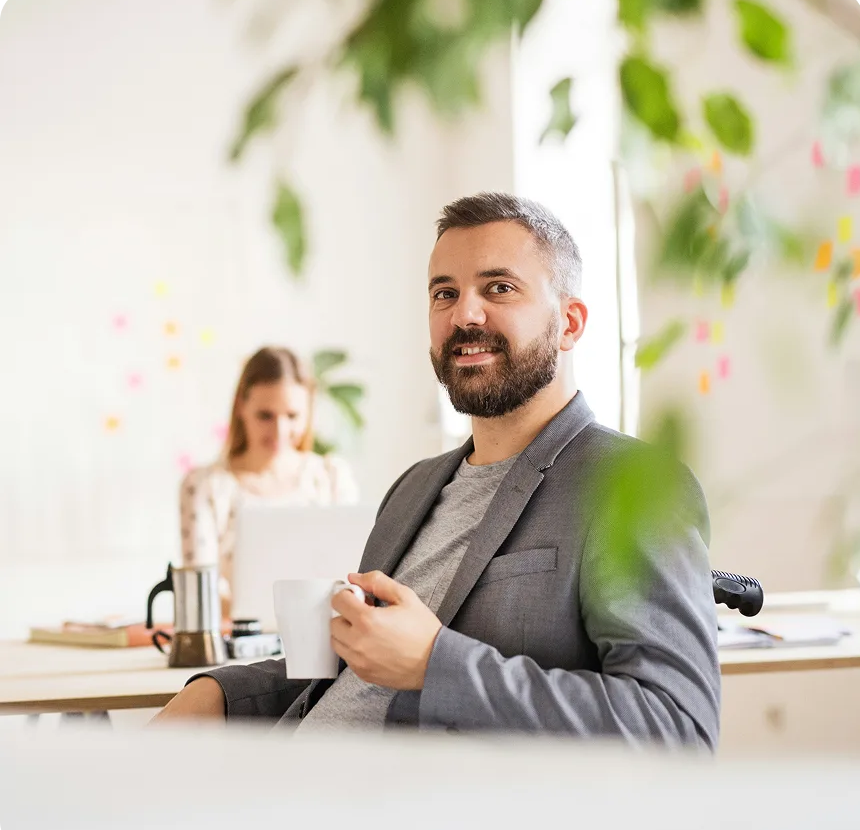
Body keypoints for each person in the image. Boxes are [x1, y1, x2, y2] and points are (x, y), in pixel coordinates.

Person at [155, 193, 720, 749]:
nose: (464, 314)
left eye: (499, 288)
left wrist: (437, 664)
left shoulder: (632, 484)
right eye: (444, 293)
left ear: (570, 323)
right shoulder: (414, 488)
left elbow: (677, 729)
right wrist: (220, 693)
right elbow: (356, 668)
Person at [179, 346, 358, 618]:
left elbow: (350, 572)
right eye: (265, 415)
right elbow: (202, 593)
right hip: (240, 640)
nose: (280, 431)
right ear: (241, 406)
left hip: (326, 637)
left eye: (292, 416)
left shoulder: (331, 476)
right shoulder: (205, 486)